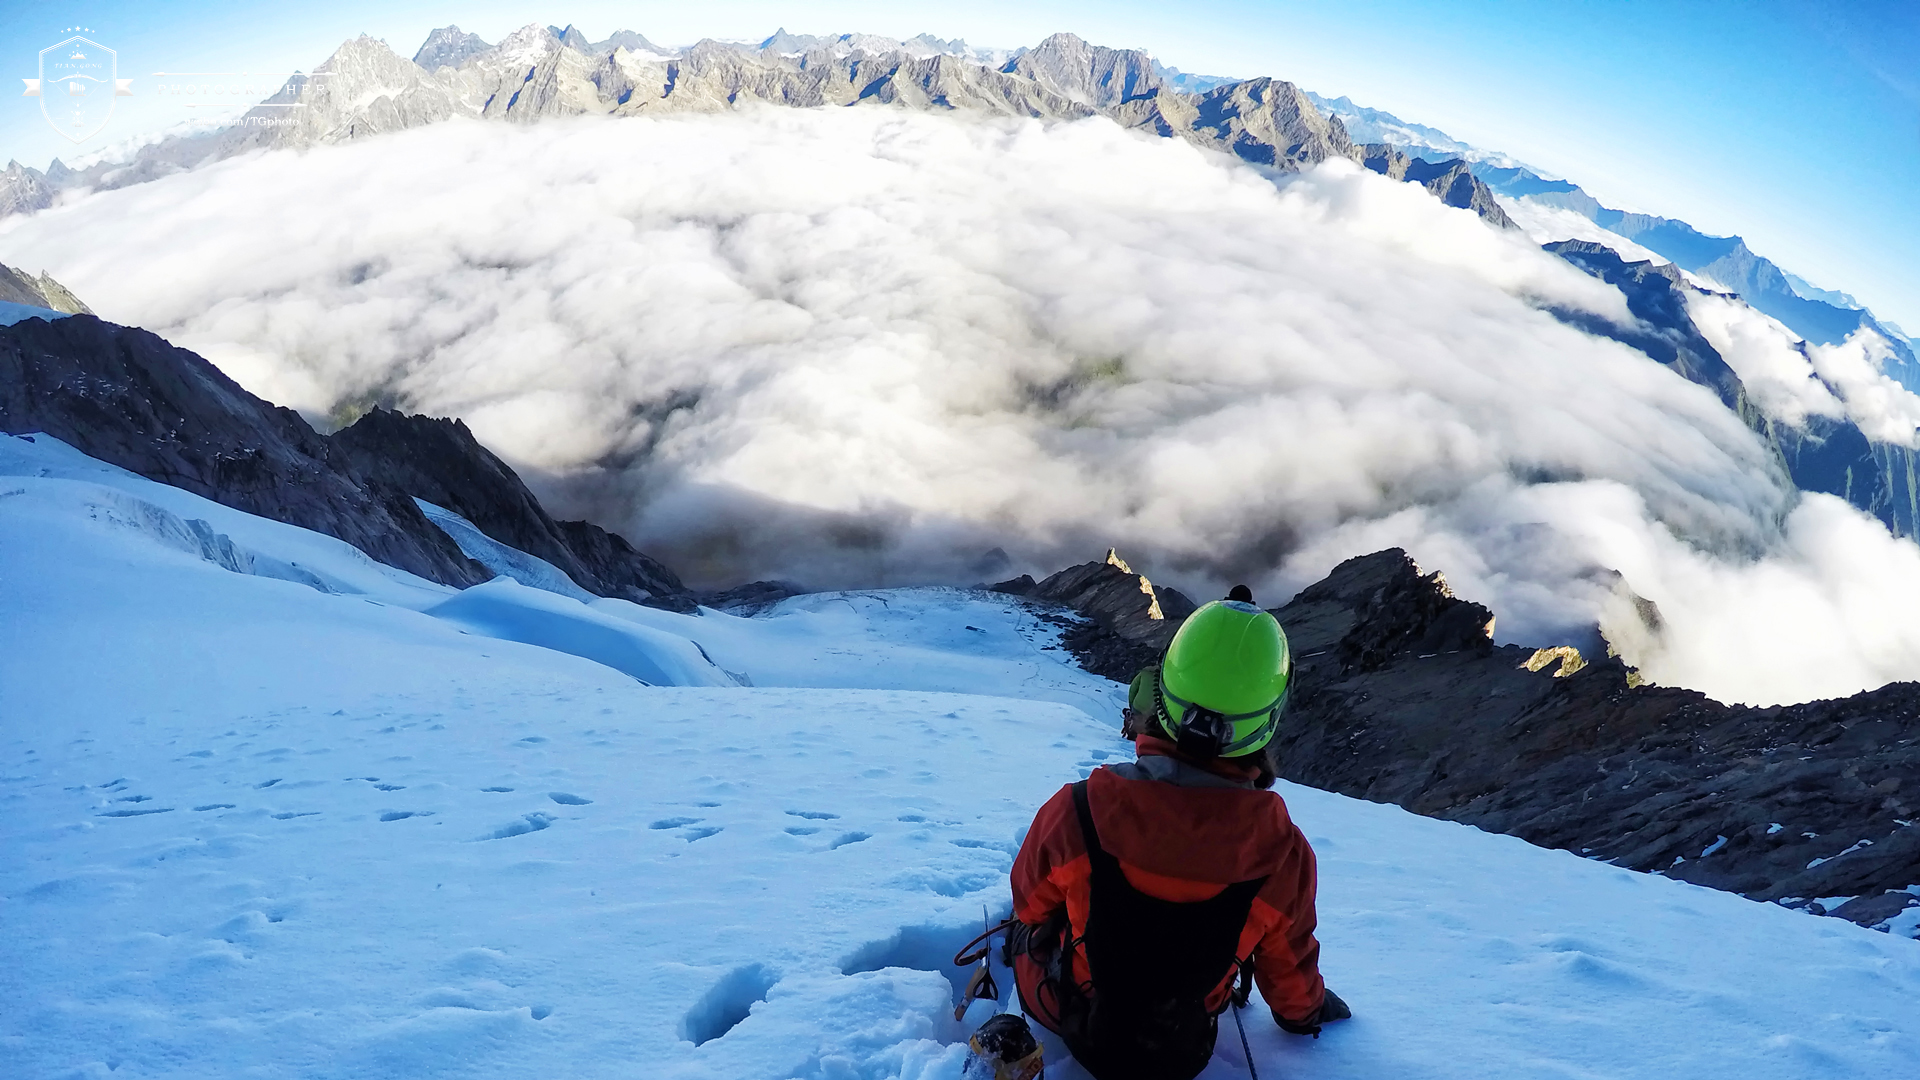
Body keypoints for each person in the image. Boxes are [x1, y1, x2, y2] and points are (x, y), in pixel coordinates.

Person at [1002, 590, 1350, 1080]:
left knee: (1033, 923)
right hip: (1183, 1049)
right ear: (1267, 718)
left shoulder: (1077, 810)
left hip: (1074, 1017)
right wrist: (1308, 1012)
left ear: (1164, 691)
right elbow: (1288, 972)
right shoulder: (1282, 854)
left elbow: (1029, 906)